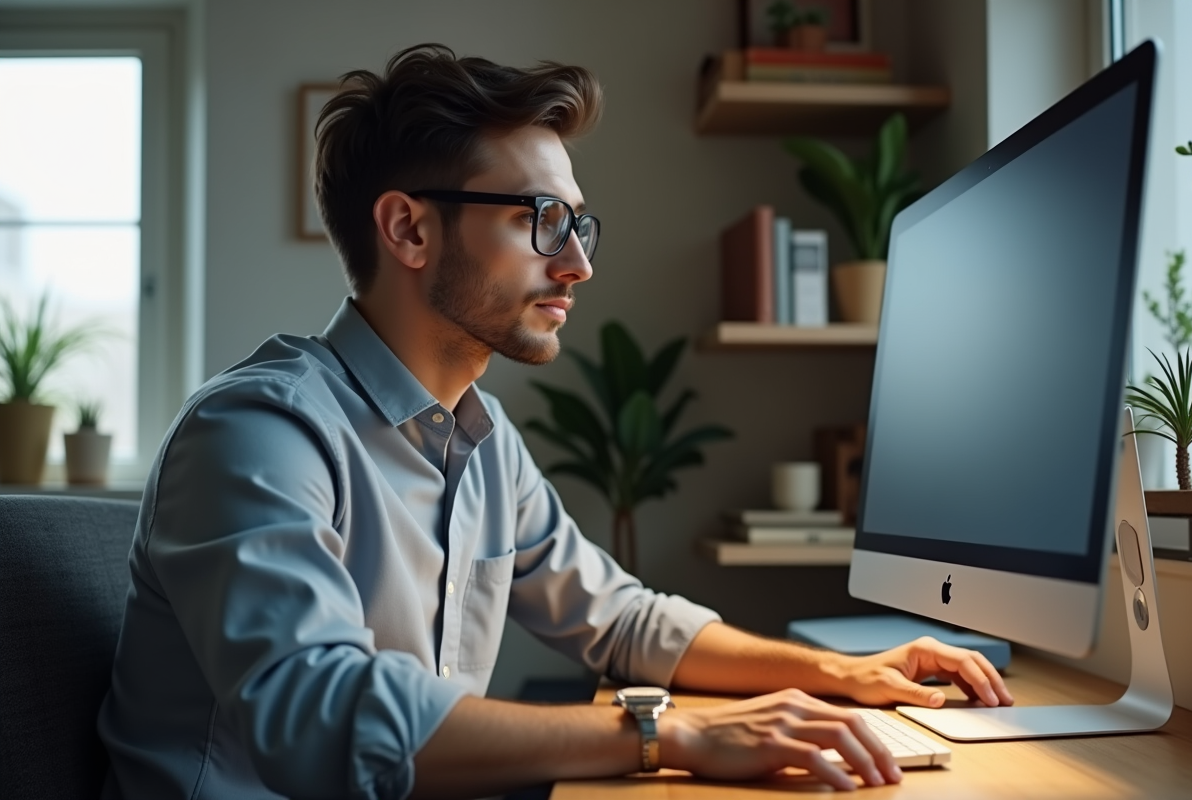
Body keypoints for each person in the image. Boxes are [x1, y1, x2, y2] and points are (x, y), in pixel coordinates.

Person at [98, 44, 1012, 800]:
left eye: (579, 226)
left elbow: (621, 622)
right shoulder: (257, 431)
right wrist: (669, 732)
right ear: (409, 231)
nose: (575, 263)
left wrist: (838, 674)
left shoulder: (482, 440)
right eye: (541, 220)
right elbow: (321, 713)